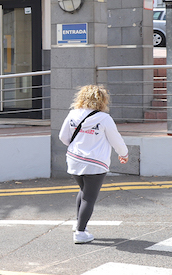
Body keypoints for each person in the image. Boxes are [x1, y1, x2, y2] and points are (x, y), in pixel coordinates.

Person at [57, 84, 129, 244]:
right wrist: (123, 154)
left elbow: (63, 136)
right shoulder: (104, 118)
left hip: (74, 160)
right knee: (89, 198)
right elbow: (115, 139)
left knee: (83, 192)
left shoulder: (73, 114)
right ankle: (80, 233)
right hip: (95, 163)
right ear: (102, 100)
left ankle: (78, 224)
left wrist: (78, 146)